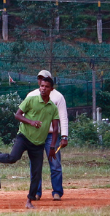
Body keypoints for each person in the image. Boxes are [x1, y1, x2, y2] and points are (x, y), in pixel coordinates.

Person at [0, 72, 60, 209]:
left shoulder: (52, 107)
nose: (43, 88)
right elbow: (17, 115)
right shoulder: (31, 99)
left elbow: (55, 128)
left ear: (51, 89)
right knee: (13, 158)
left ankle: (29, 201)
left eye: (46, 86)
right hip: (24, 136)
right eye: (42, 86)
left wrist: (52, 147)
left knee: (36, 173)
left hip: (39, 144)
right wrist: (30, 122)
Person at [26, 70, 69, 201]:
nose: (41, 81)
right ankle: (36, 193)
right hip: (35, 135)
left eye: (44, 79)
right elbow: (24, 115)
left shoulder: (58, 97)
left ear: (50, 82)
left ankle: (57, 192)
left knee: (55, 164)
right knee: (35, 165)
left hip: (52, 135)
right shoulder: (31, 95)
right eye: (39, 78)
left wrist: (64, 136)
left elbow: (63, 117)